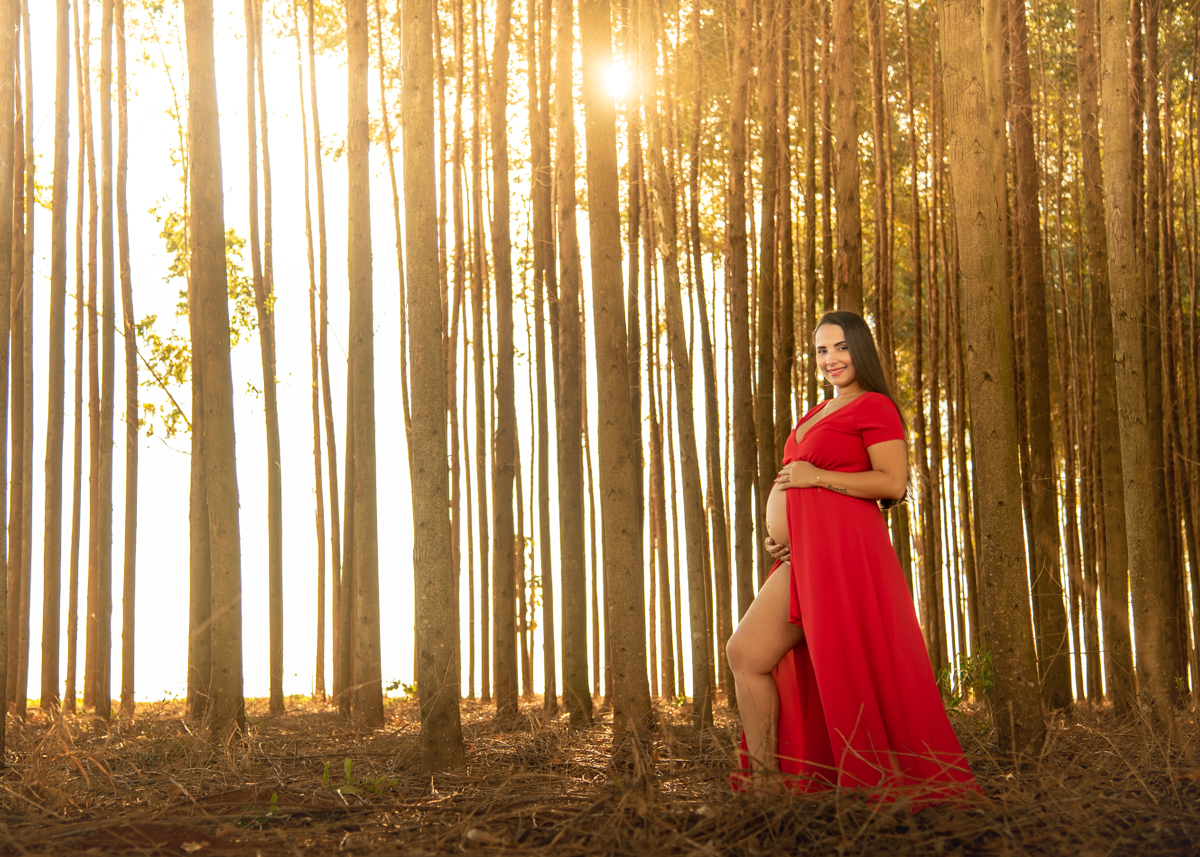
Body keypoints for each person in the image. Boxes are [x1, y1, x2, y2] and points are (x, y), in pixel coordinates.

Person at [727, 310, 979, 803]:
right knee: (746, 654)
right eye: (821, 350)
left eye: (840, 347)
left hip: (844, 558)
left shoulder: (876, 406)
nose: (830, 359)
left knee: (840, 667)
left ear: (859, 348)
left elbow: (892, 483)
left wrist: (815, 478)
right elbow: (792, 487)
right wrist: (779, 535)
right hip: (801, 557)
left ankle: (858, 784)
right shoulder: (815, 412)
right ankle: (765, 784)